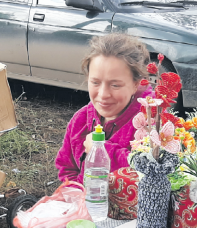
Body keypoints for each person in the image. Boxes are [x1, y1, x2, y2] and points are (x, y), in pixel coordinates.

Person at [55, 33, 153, 184]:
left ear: (136, 84)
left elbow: (152, 174)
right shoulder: (79, 121)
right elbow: (66, 167)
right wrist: (78, 195)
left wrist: (101, 151)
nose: (103, 94)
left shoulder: (151, 125)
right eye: (95, 82)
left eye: (115, 85)